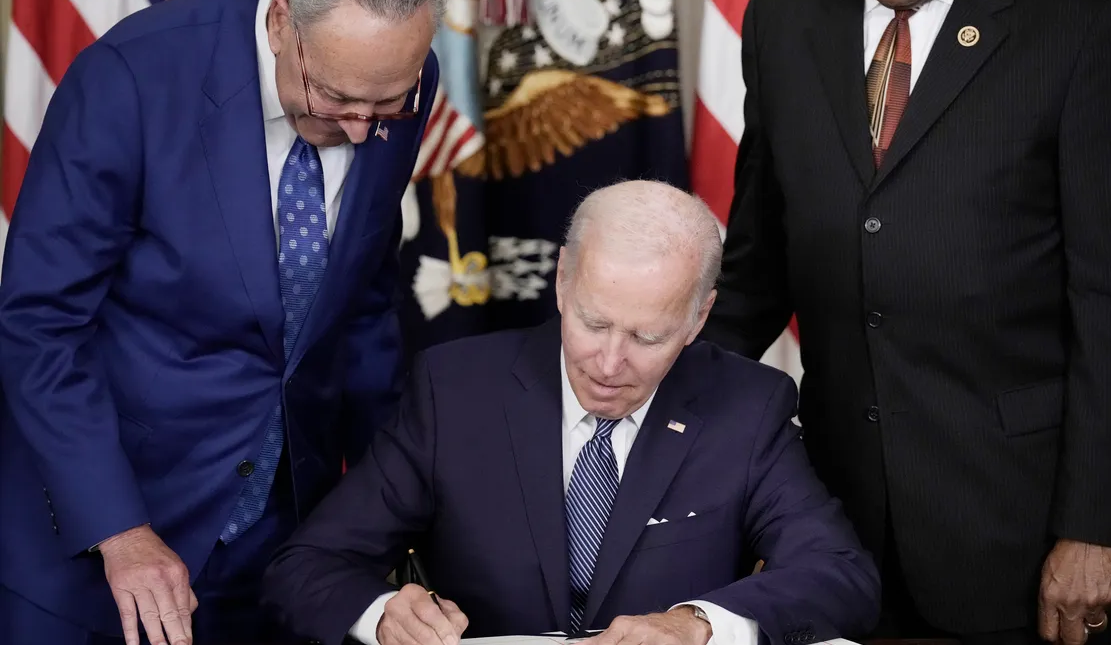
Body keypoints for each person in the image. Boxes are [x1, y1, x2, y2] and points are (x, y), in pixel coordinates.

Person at [698, 0, 1111, 644]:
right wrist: (641, 380)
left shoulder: (1087, 23)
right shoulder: (780, 17)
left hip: (1024, 531)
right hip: (839, 530)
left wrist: (1096, 525)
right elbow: (756, 269)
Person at [0, 0, 443, 644]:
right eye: (335, 98)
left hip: (277, 537)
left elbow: (363, 303)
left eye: (385, 107)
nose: (360, 130)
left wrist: (393, 506)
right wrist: (117, 528)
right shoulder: (134, 74)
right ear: (281, 24)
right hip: (104, 534)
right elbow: (41, 322)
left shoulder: (401, 72)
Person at [259, 180, 882, 645]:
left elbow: (841, 577)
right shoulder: (454, 389)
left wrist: (697, 625)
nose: (609, 363)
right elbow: (307, 566)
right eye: (593, 322)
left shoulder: (748, 406)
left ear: (699, 317)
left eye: (647, 338)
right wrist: (382, 613)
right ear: (561, 281)